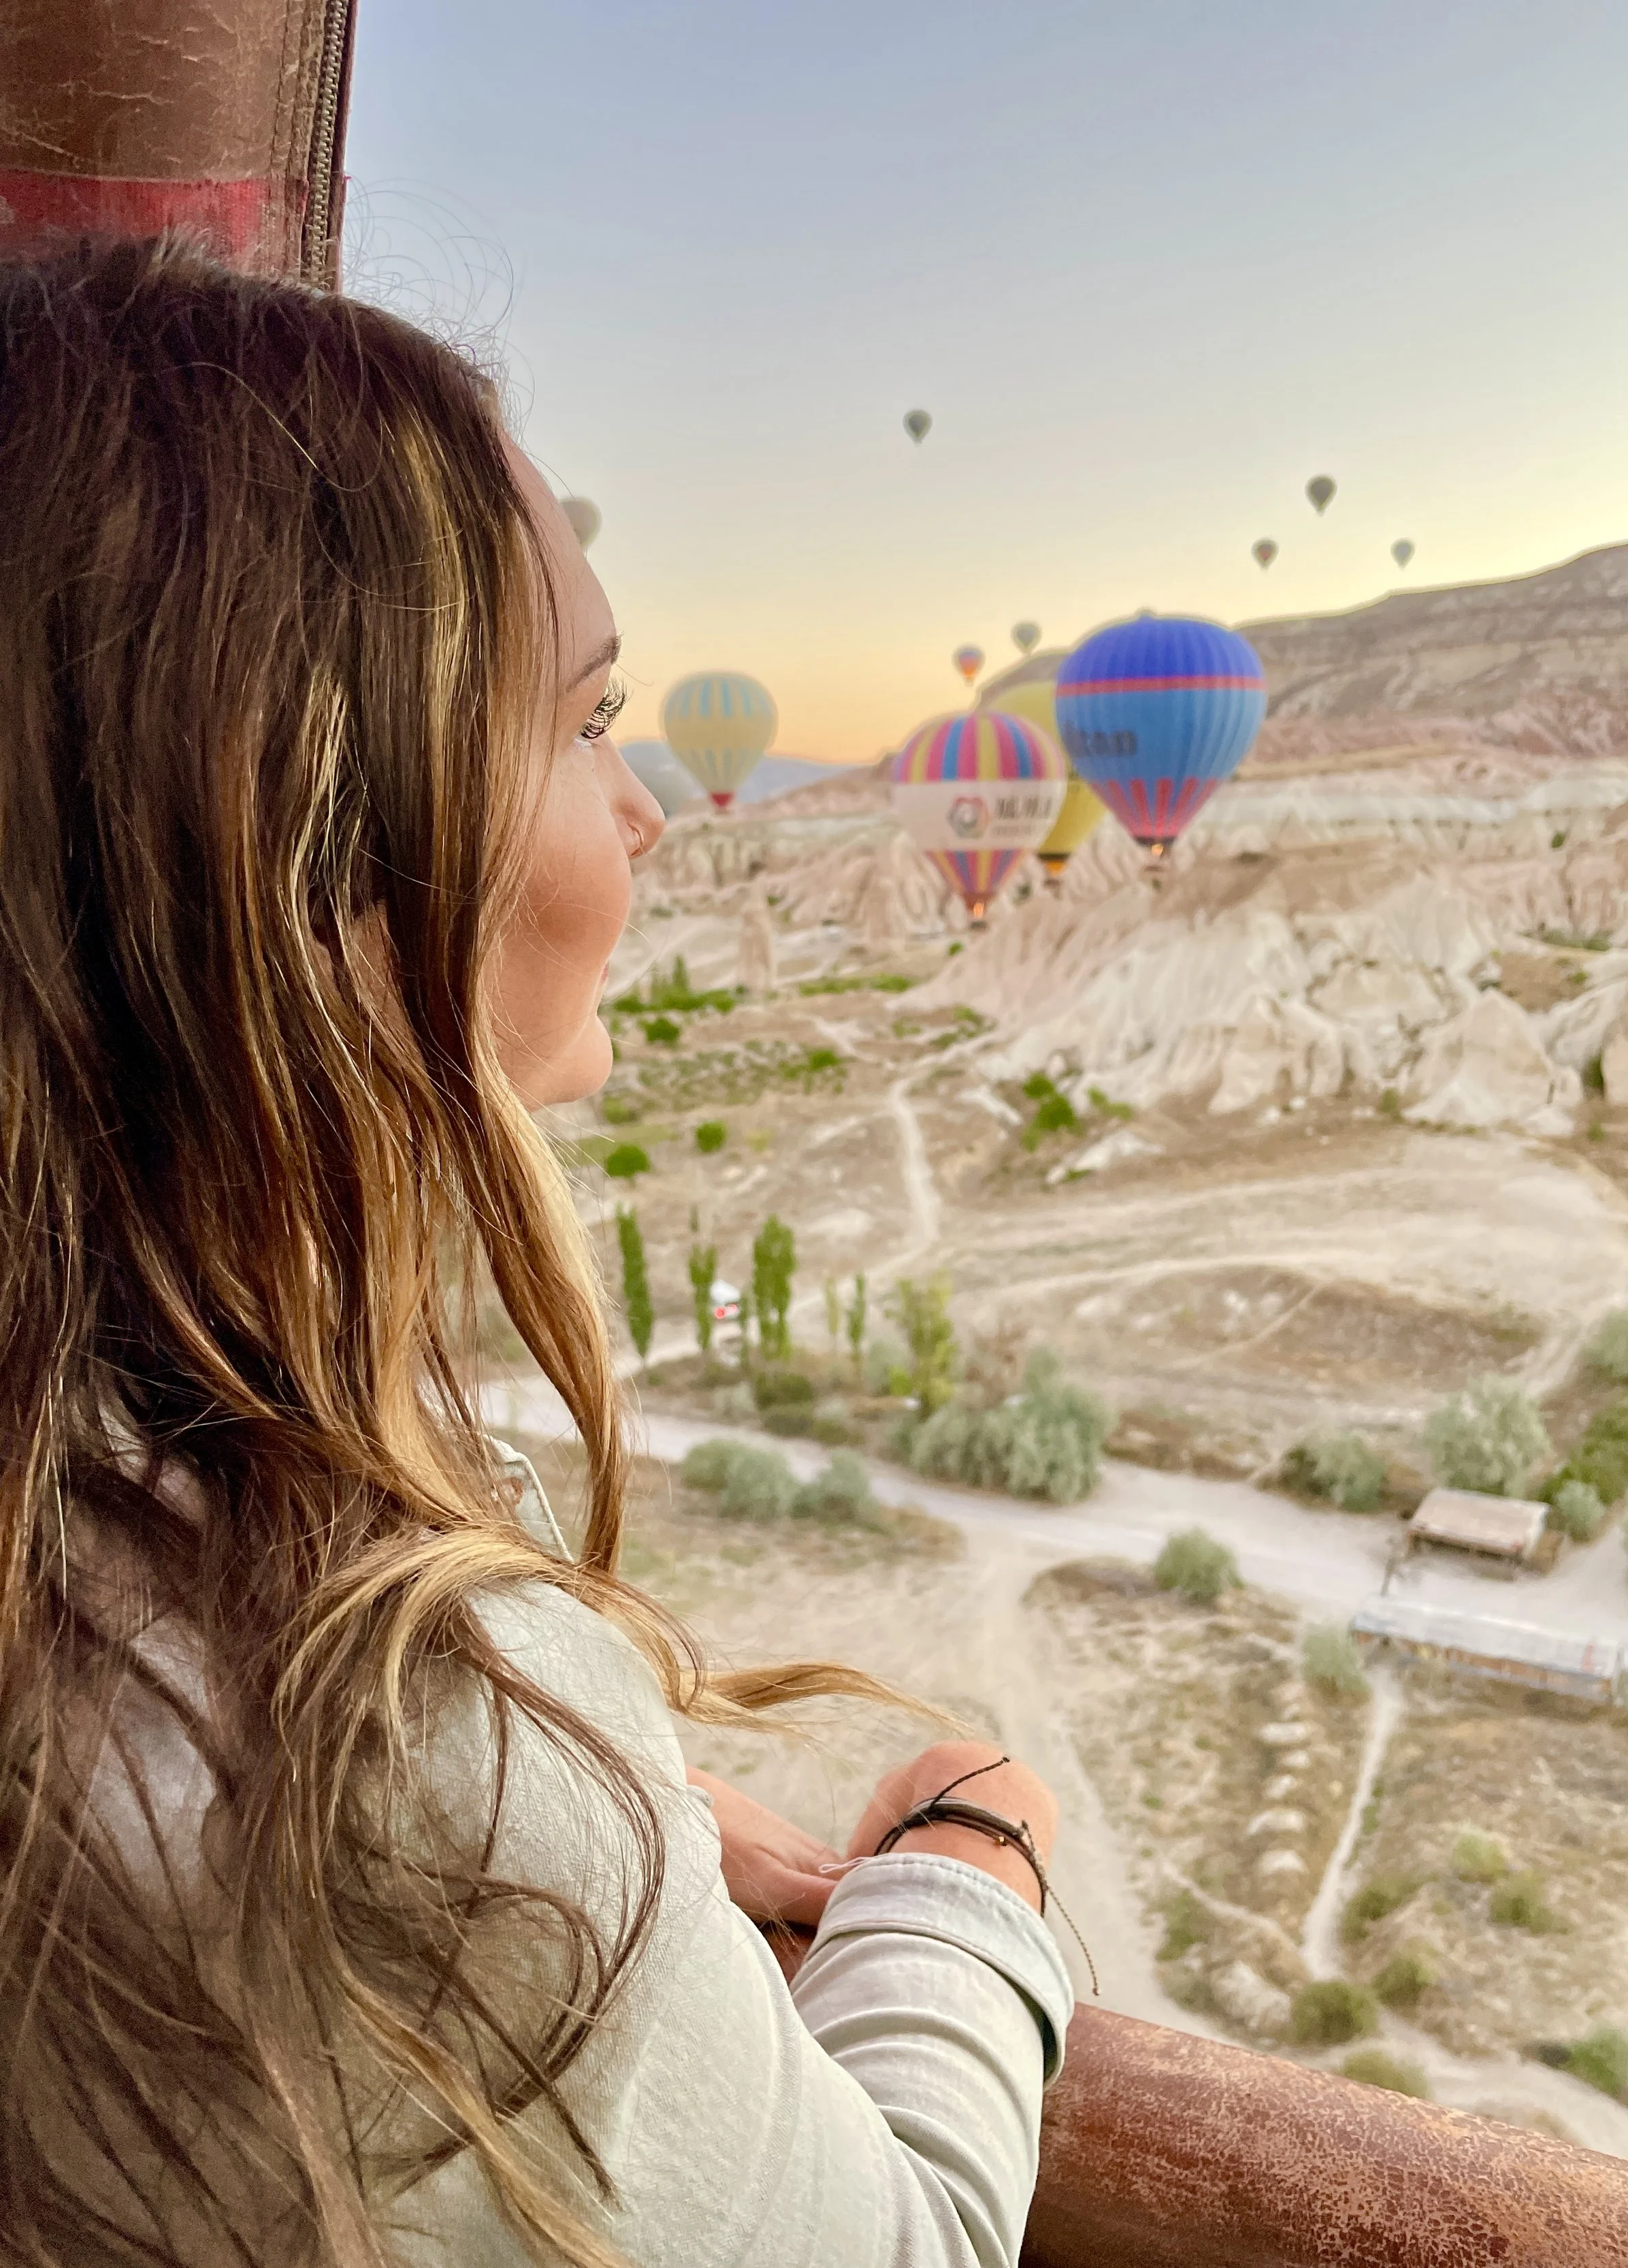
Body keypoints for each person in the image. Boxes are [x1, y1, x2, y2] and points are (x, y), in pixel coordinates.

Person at [0, 237, 1071, 2268]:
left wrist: (635, 1796)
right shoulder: (387, 1778)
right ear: (302, 842)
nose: (649, 808)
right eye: (590, 719)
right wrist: (964, 1854)